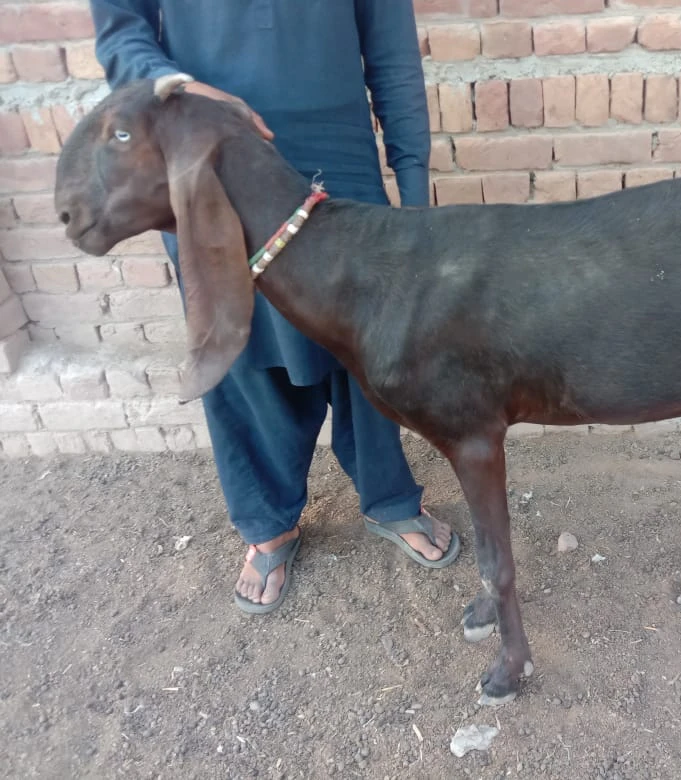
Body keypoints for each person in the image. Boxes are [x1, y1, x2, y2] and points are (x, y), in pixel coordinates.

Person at [89, 0, 461, 614]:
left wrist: (413, 186)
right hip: (204, 156)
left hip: (337, 155)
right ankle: (269, 520)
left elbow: (391, 49)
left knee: (367, 343)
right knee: (236, 344)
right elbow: (120, 26)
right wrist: (174, 87)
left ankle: (390, 496)